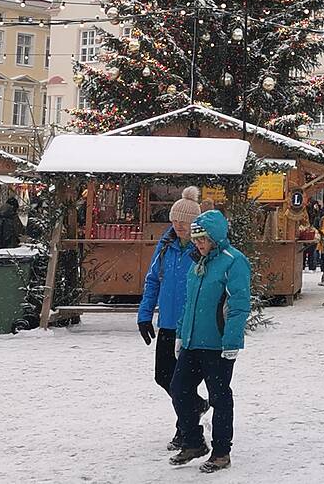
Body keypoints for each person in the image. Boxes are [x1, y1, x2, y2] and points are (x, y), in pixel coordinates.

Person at [170, 210, 251, 474]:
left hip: (218, 345)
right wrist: (182, 334)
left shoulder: (233, 262)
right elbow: (189, 303)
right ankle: (194, 442)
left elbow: (238, 306)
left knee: (220, 397)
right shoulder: (198, 264)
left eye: (203, 239)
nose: (198, 244)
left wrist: (231, 341)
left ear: (215, 238)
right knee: (179, 390)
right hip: (193, 342)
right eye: (196, 240)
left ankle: (221, 451)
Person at [138, 186, 202, 450]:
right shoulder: (165, 246)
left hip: (191, 327)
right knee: (163, 377)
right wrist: (144, 315)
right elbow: (153, 280)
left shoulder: (201, 249)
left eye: (184, 222)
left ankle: (184, 429)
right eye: (175, 221)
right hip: (167, 324)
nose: (178, 226)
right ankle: (195, 407)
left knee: (181, 383)